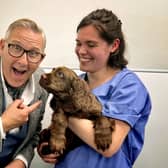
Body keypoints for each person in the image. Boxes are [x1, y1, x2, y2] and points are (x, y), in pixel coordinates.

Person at [38, 8, 151, 168]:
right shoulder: (76, 81)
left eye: (91, 44)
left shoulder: (129, 87)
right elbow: (59, 131)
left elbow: (108, 147)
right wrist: (46, 146)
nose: (81, 51)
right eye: (78, 43)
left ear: (114, 46)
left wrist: (64, 112)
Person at [0, 18, 49, 167]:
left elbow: (33, 135)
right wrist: (4, 124)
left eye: (33, 53)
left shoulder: (42, 84)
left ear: (41, 59)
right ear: (1, 46)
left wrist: (21, 162)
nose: (23, 61)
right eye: (16, 47)